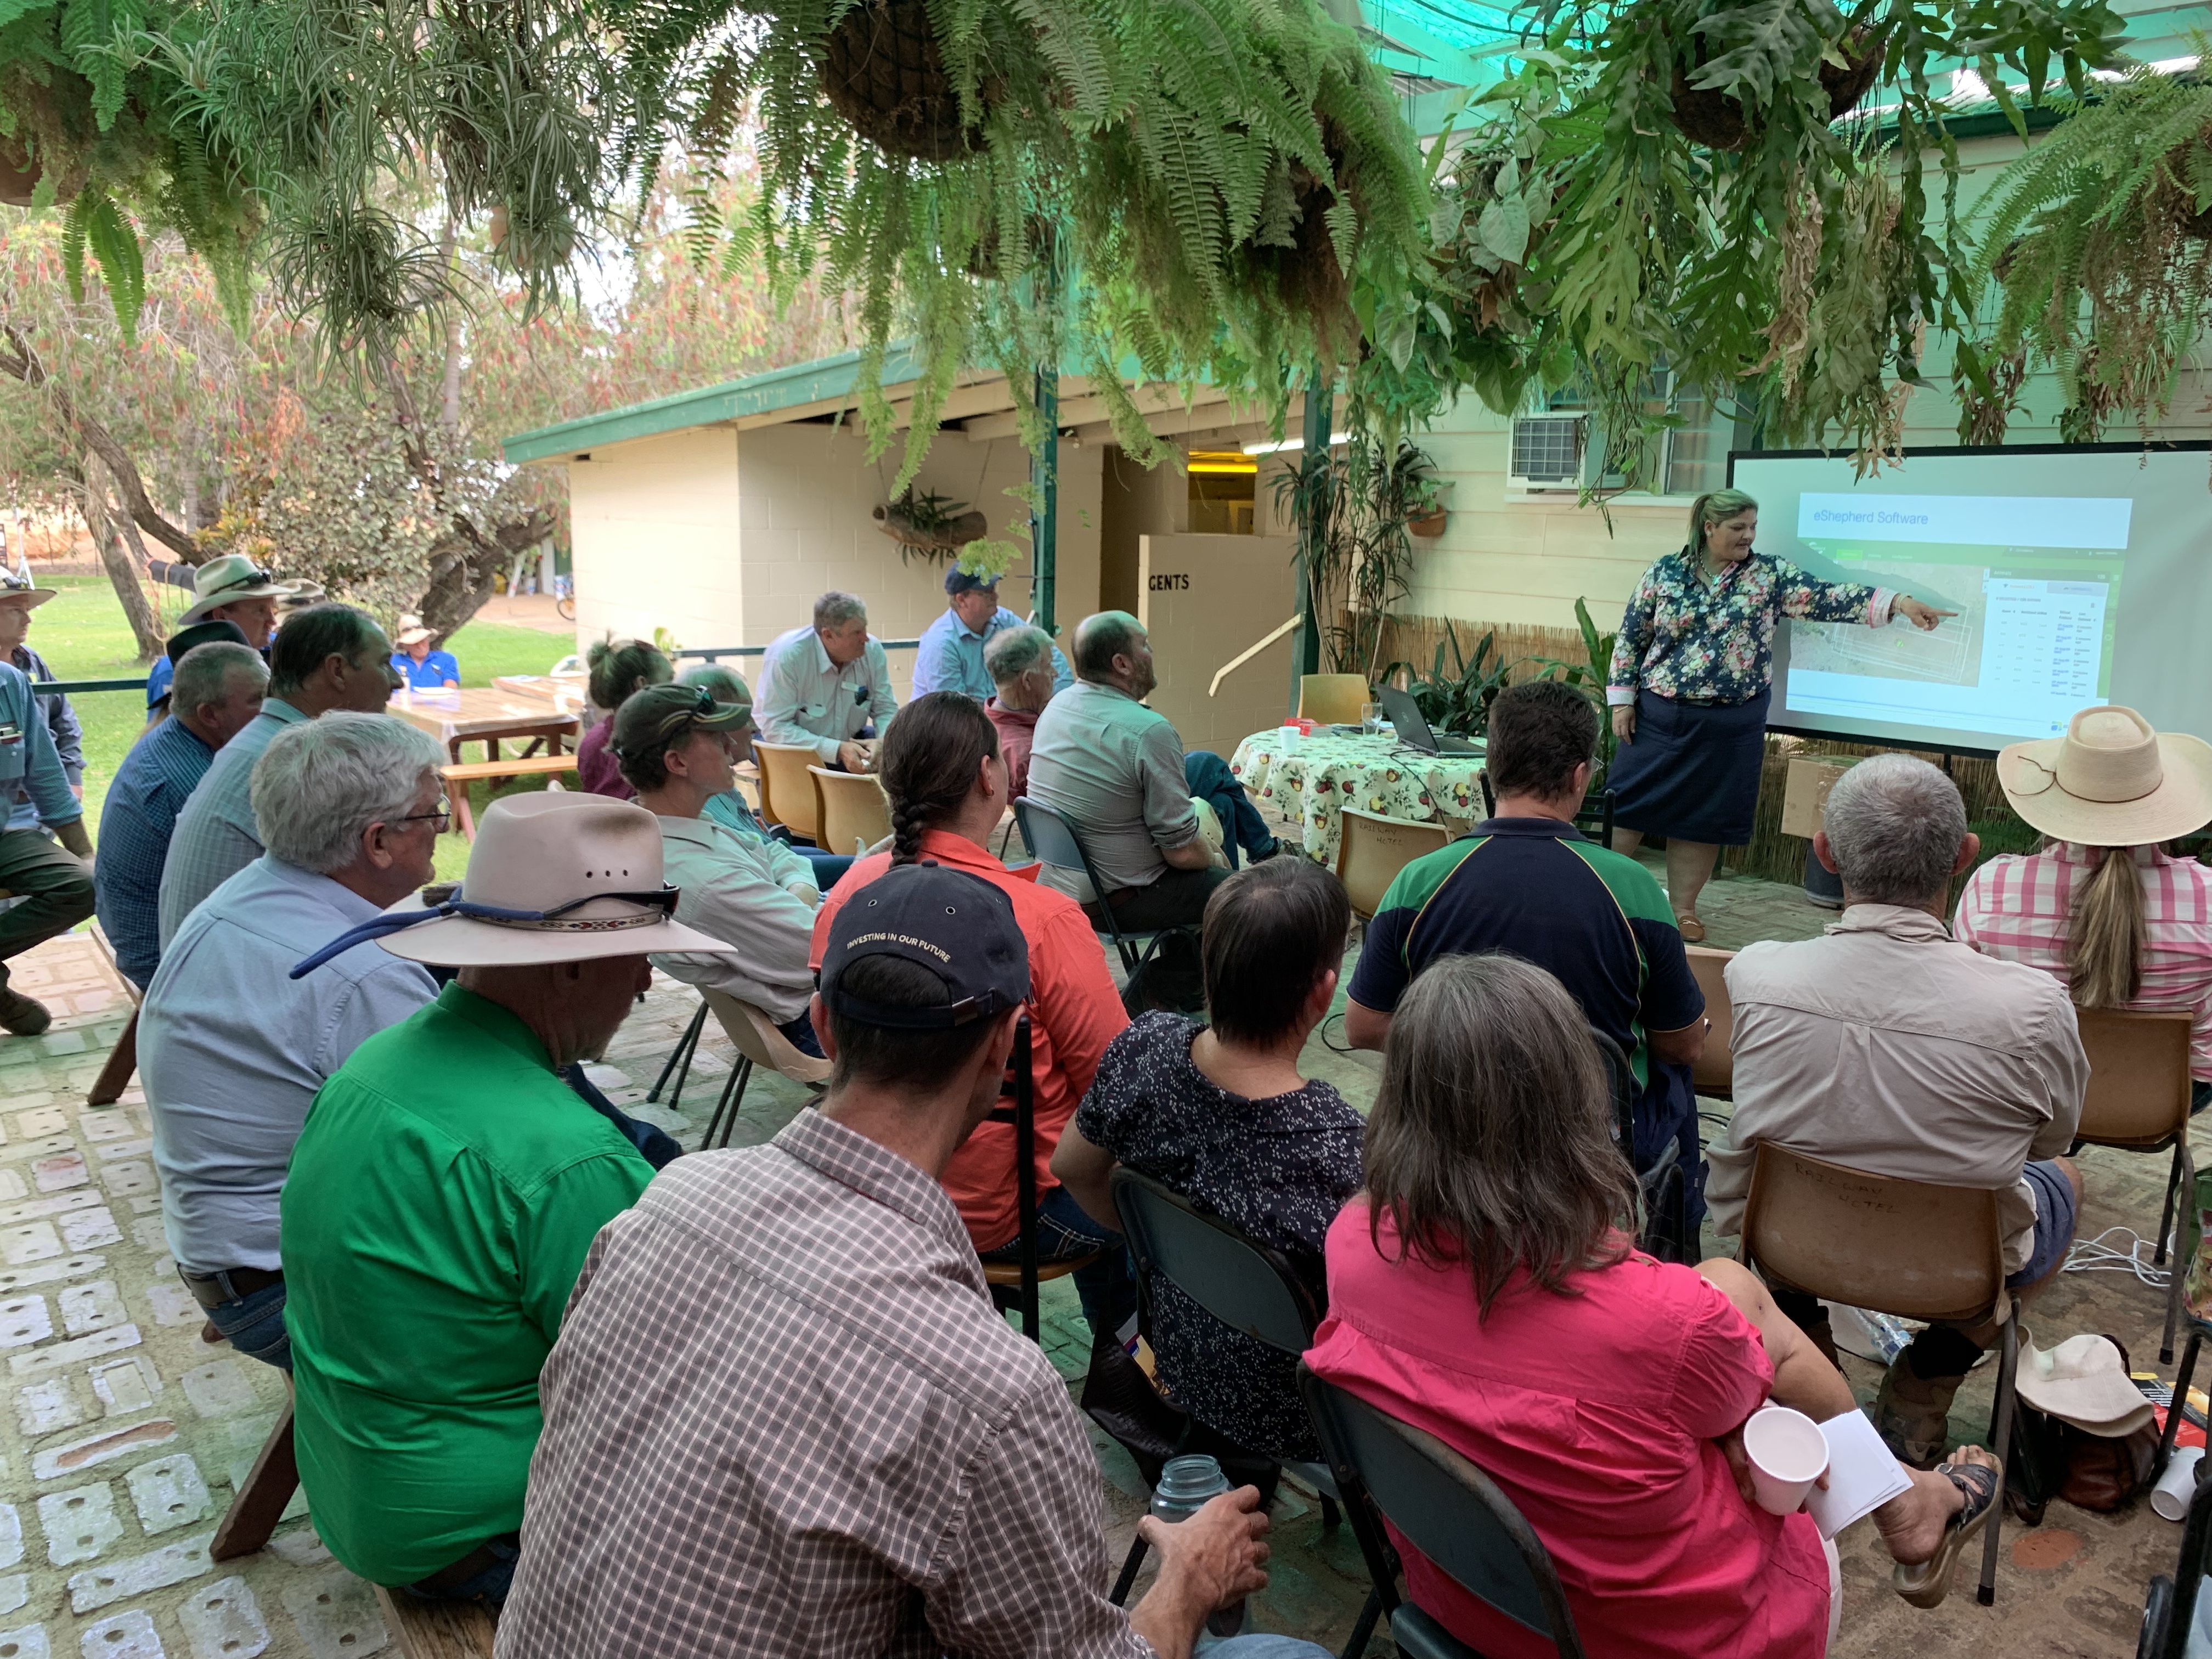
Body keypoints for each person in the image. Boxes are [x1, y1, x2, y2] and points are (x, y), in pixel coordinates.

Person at [495, 862, 1317, 1659]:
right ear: (1003, 1049)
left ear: (822, 1023)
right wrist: (1189, 1580)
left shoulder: (661, 1206)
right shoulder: (989, 1390)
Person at [1307, 953, 2004, 1656]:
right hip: (1665, 1638)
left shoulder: (1353, 1246)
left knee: (1726, 1291)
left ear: (1402, 1100)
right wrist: (1735, 1418)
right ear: (1569, 1107)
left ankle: (1898, 1494)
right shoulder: (1664, 1323)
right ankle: (1904, 1499)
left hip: (1462, 1601)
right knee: (1740, 1318)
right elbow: (1665, 1359)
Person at [280, 790, 729, 1609]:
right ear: (568, 961)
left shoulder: (370, 1068)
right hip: (477, 1531)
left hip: (360, 1488)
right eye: (637, 955)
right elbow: (677, 1391)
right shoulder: (567, 1158)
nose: (644, 983)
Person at [1708, 753, 2087, 1467]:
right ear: (1965, 857)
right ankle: (1924, 1384)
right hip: (1958, 1266)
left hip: (1787, 1243)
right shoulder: (2034, 1007)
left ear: (1824, 853)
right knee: (2065, 1181)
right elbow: (2053, 1140)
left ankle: (1806, 1357)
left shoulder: (1756, 974)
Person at [810, 691, 1132, 1340]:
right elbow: (1117, 1081)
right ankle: (1132, 1370)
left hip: (876, 1187)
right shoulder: (1041, 918)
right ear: (990, 776)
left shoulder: (849, 893)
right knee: (1147, 1184)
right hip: (1007, 1215)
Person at [138, 713, 446, 1369]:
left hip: (223, 1257)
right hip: (282, 1292)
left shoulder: (245, 896)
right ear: (379, 841)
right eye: (431, 813)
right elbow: (459, 1160)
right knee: (577, 1286)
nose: (442, 826)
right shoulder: (360, 977)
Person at [1345, 678, 1708, 1221]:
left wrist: (1474, 1047)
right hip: (1586, 1151)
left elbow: (1363, 1026)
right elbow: (1682, 1046)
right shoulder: (1633, 889)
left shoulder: (1419, 881)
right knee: (1673, 1071)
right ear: (1580, 777)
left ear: (1491, 772)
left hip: (1452, 1132)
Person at [1053, 856, 1364, 1460]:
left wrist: (1160, 1251)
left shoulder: (1144, 1048)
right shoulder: (1346, 1149)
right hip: (1299, 1414)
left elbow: (1071, 1167)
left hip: (1174, 1356)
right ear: (1325, 991)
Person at [1606, 489, 1955, 940]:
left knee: (1702, 818)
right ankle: (1601, 897)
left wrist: (1900, 603)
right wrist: (1621, 701)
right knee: (1628, 809)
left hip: (1731, 725)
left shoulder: (1770, 576)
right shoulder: (1665, 572)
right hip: (1660, 715)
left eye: (1753, 527)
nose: (1748, 536)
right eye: (1738, 528)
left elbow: (1829, 597)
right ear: (1709, 528)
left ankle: (1683, 910)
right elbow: (1632, 636)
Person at [1956, 704, 2212, 1112]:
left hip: (2029, 1097)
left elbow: (1967, 1010)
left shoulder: (1993, 888)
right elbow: (2206, 1060)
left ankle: (2053, 1157)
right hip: (2155, 1106)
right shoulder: (2208, 899)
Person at [159, 605, 399, 948]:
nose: (397, 681)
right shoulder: (303, 760)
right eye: (384, 663)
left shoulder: (266, 739)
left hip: (215, 965)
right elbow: (378, 889)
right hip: (239, 978)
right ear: (337, 670)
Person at [1026, 611, 1276, 934]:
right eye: (1145, 644)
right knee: (1253, 897)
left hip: (1062, 879)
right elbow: (1183, 854)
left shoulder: (1057, 706)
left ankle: (1188, 970)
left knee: (1210, 773)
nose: (1152, 652)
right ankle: (1179, 976)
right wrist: (1216, 857)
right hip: (1120, 898)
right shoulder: (1148, 731)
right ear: (1122, 664)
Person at [615, 680, 826, 1058]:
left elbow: (779, 856)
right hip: (823, 1020)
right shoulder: (702, 879)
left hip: (819, 992)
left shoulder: (673, 829)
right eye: (715, 739)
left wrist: (798, 893)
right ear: (677, 763)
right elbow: (825, 953)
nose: (731, 746)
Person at [95, 641, 269, 991]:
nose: (270, 710)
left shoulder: (179, 738)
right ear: (209, 715)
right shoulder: (197, 780)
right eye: (258, 700)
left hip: (149, 931)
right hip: (160, 956)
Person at [676, 660, 852, 890]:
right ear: (718, 726)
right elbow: (758, 864)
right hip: (768, 875)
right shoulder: (705, 792)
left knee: (821, 854)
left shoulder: (717, 781)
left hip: (771, 862)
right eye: (744, 717)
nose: (755, 727)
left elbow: (763, 849)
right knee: (867, 866)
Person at [0, 647, 93, 1035]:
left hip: (4, 837)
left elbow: (46, 773)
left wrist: (85, 852)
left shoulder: (9, 683)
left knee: (85, 886)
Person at [144, 554, 311, 712]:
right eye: (260, 611)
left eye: (272, 609)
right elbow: (172, 733)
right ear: (221, 616)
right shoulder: (175, 670)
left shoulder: (282, 651)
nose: (273, 621)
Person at [755, 590, 898, 772]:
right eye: (856, 633)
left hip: (849, 738)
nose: (865, 638)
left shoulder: (872, 650)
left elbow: (885, 708)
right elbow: (775, 728)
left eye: (865, 629)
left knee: (907, 746)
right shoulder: (788, 656)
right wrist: (836, 750)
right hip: (788, 746)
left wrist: (883, 742)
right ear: (828, 635)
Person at [912, 567, 1072, 701]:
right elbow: (954, 713)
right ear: (961, 600)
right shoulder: (941, 644)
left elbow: (1051, 656)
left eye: (994, 589)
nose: (996, 596)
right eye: (986, 592)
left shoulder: (1004, 620)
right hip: (948, 731)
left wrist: (1057, 706)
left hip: (996, 720)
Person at [0, 571, 82, 822]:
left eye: (28, 610)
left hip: (42, 801)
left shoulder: (32, 662)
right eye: (16, 610)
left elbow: (63, 719)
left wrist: (72, 778)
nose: (28, 619)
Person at [575, 638, 672, 799]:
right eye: (670, 679)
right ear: (642, 684)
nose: (678, 688)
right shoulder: (651, 748)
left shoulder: (594, 738)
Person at [984, 621, 1059, 797]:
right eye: (1049, 666)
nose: (1055, 674)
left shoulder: (982, 723)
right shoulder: (1027, 755)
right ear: (1028, 681)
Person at [388, 614, 460, 689]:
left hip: (437, 701)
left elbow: (450, 691)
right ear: (405, 646)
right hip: (402, 700)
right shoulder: (392, 662)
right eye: (414, 643)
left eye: (423, 641)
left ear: (428, 639)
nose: (420, 646)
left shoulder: (447, 660)